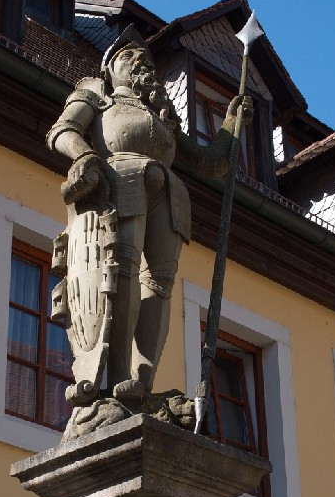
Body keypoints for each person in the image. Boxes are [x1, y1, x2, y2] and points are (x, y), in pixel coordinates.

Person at [47, 25, 253, 403]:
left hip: (168, 194)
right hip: (121, 179)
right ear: (110, 69)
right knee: (122, 268)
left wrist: (231, 123)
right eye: (128, 56)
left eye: (144, 58)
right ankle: (117, 371)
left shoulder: (162, 117)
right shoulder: (97, 95)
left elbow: (209, 164)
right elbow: (62, 130)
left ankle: (142, 380)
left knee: (159, 282)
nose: (139, 61)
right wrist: (84, 155)